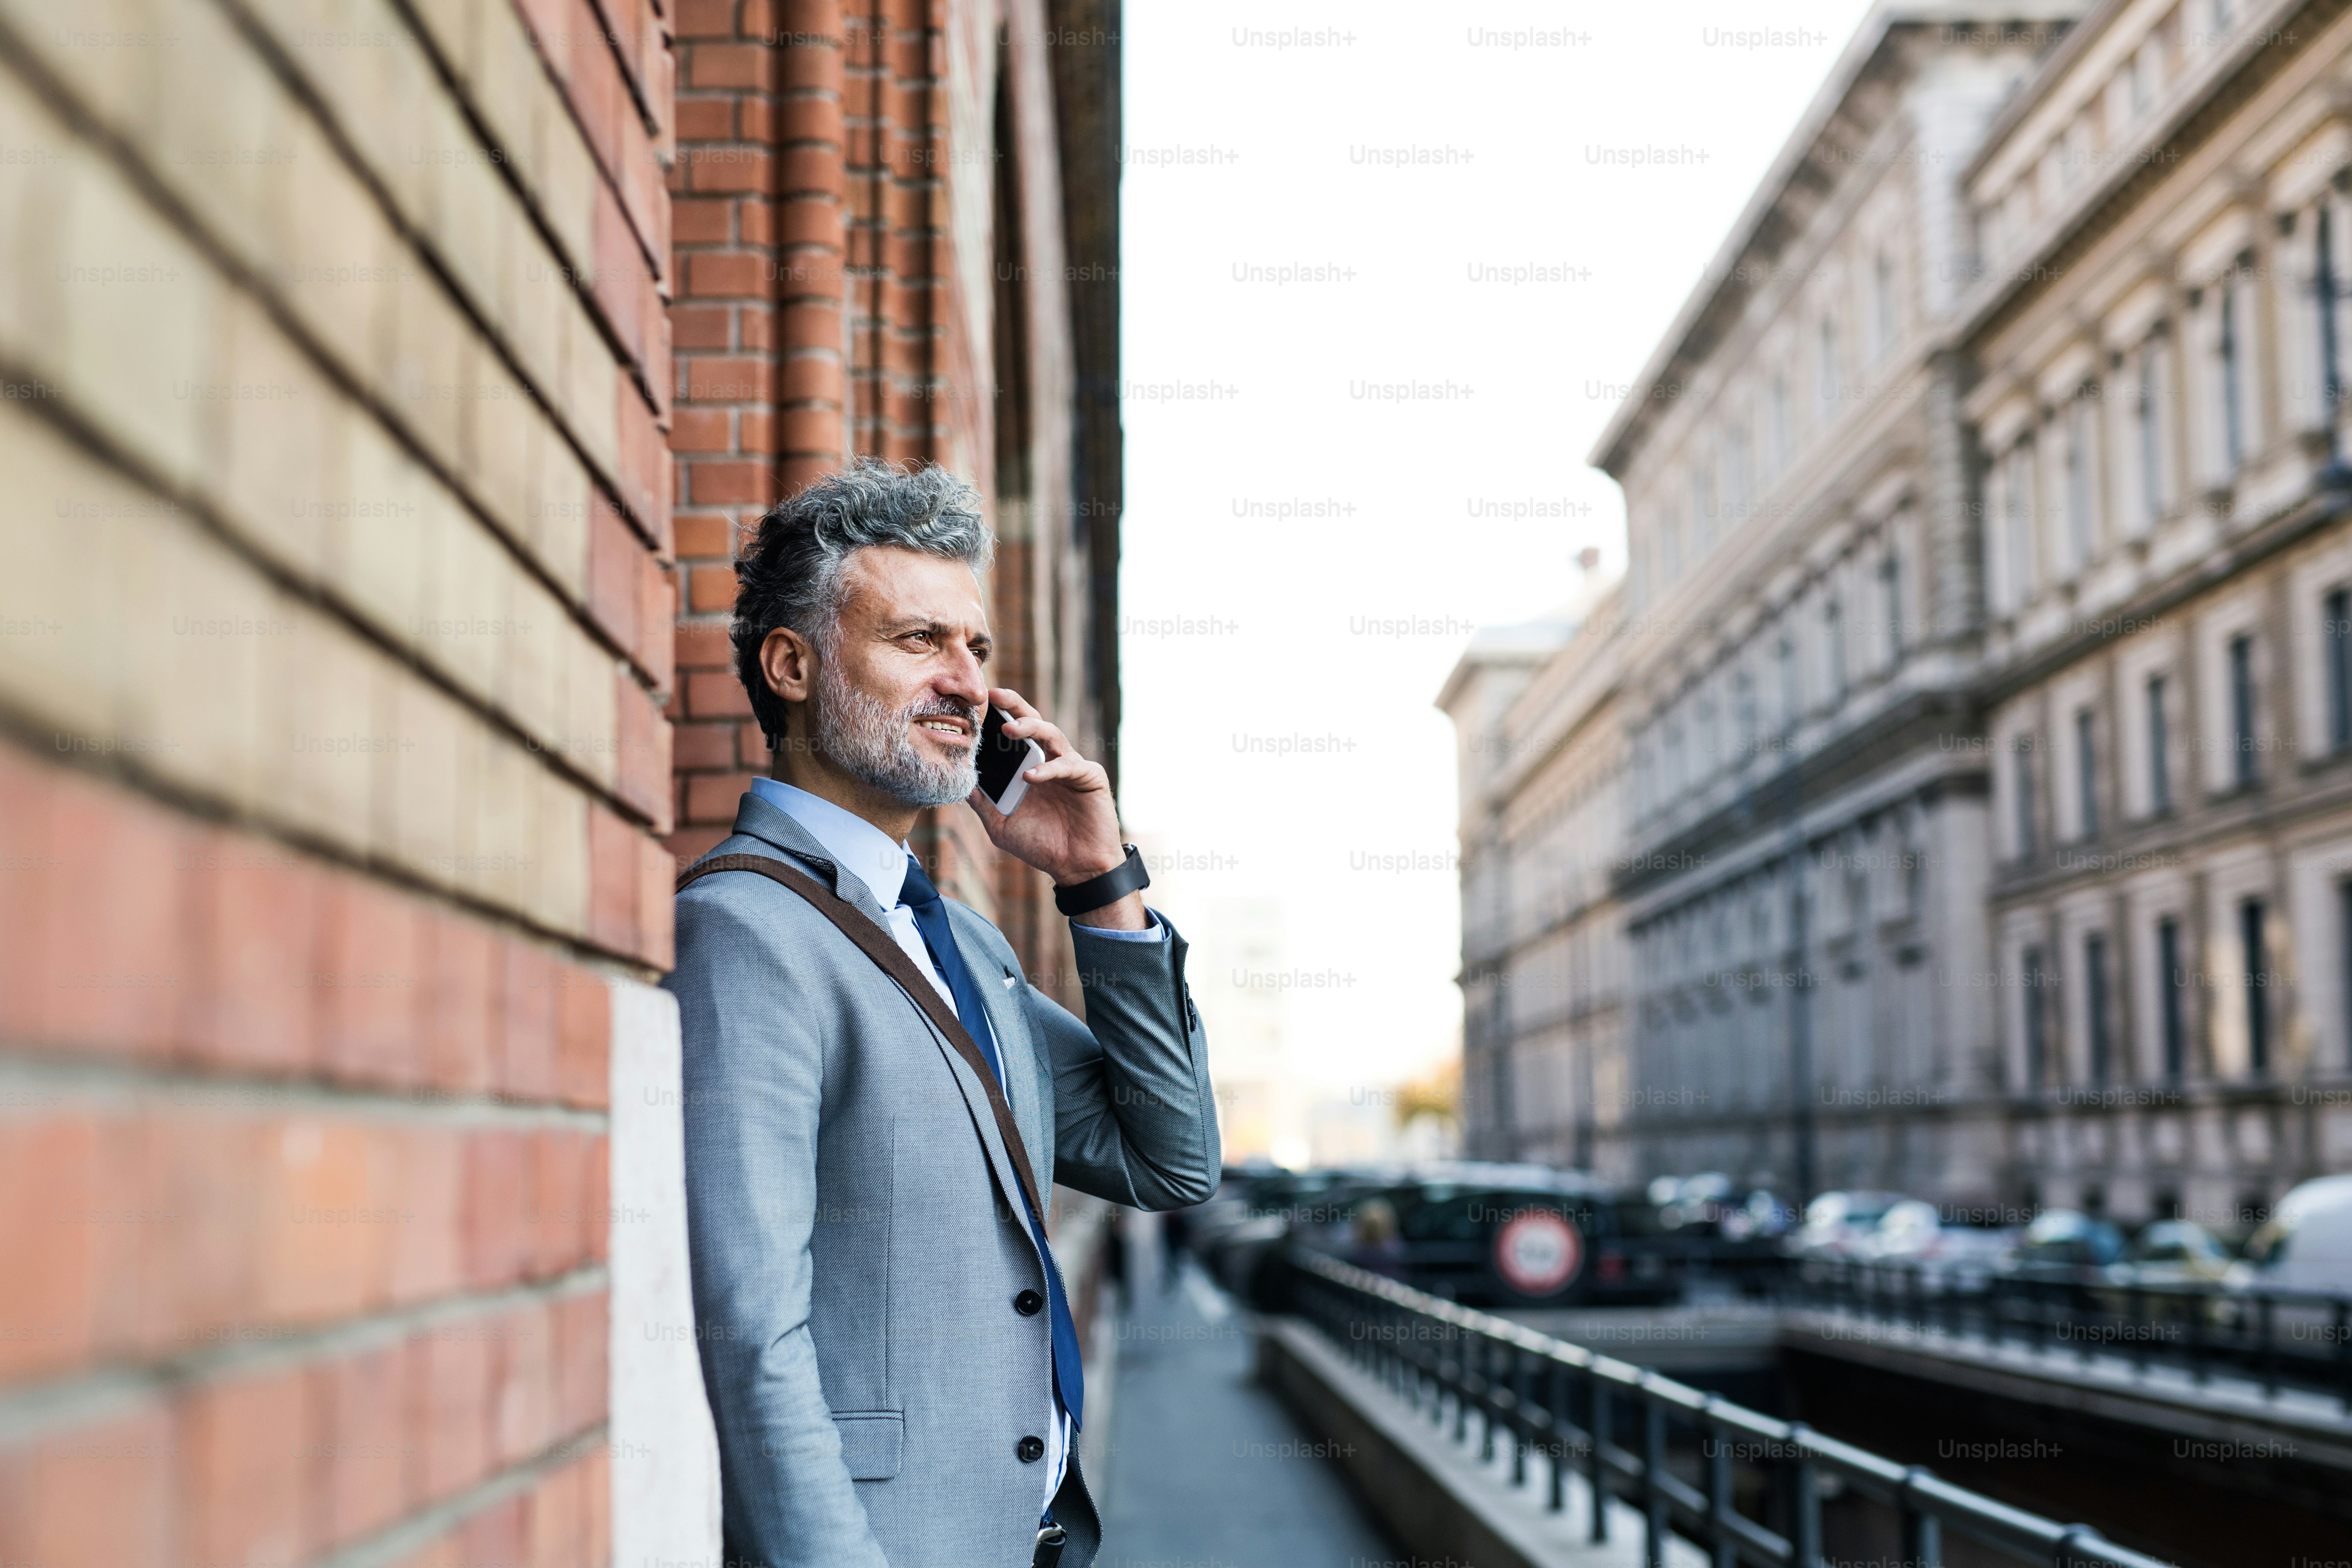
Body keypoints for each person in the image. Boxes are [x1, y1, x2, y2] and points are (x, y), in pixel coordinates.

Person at [665, 460, 1219, 1568]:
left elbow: (1172, 1160)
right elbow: (751, 1334)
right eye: (918, 640)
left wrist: (1101, 882)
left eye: (978, 649)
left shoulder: (967, 942)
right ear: (792, 665)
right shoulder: (743, 931)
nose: (964, 680)